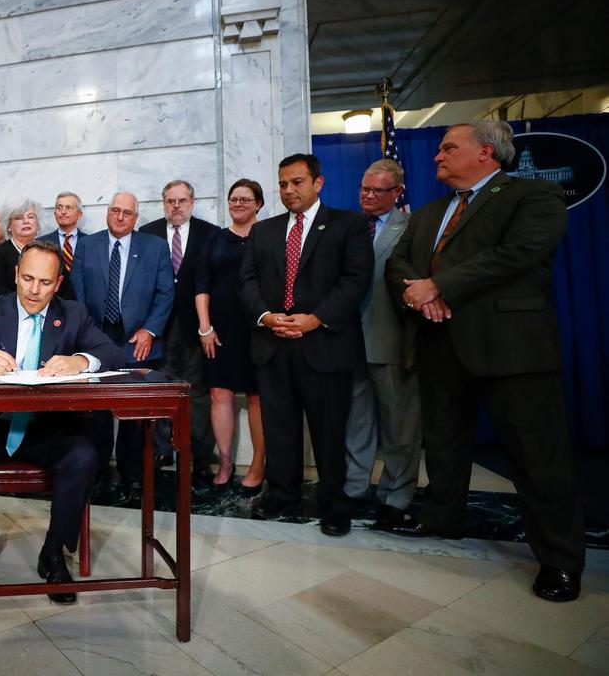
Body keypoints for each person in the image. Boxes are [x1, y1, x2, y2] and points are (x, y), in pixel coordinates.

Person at [385, 120, 585, 602]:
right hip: (439, 345)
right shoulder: (430, 211)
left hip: (511, 348)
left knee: (538, 458)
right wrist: (420, 295)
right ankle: (441, 519)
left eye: (448, 147)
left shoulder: (531, 198)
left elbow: (519, 253)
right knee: (445, 445)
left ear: (487, 153)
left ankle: (560, 560)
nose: (437, 156)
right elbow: (398, 264)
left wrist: (441, 285)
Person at [0, 240, 125, 602]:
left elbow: (111, 352)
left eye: (45, 282)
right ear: (16, 275)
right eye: (28, 278)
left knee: (83, 458)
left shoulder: (75, 314)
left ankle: (52, 553)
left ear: (58, 284)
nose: (34, 290)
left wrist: (79, 361)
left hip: (48, 429)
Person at [239, 154, 373, 537]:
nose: (288, 190)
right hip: (273, 343)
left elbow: (356, 280)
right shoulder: (263, 231)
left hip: (325, 343)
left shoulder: (348, 225)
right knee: (279, 428)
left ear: (318, 183)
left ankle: (334, 503)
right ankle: (282, 493)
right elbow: (246, 283)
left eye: (297, 182)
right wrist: (266, 317)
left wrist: (316, 318)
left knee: (329, 430)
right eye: (282, 184)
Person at [70, 192, 173, 500]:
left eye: (126, 213)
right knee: (97, 412)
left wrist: (150, 330)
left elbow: (165, 293)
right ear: (107, 213)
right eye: (114, 210)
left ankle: (133, 475)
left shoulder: (154, 247)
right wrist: (85, 333)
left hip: (137, 340)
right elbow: (77, 290)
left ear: (135, 218)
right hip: (97, 338)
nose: (119, 217)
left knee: (135, 413)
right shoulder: (87, 245)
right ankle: (97, 472)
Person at [344, 160, 421, 529]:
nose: (369, 196)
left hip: (390, 338)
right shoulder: (347, 226)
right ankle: (354, 486)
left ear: (396, 193)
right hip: (347, 339)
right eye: (364, 189)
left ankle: (396, 494)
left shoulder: (411, 227)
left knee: (399, 424)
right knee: (356, 420)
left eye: (378, 191)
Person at [139, 180, 219, 487]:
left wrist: (208, 325)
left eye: (182, 200)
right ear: (163, 203)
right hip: (157, 328)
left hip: (195, 328)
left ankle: (200, 457)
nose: (176, 206)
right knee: (158, 391)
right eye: (170, 201)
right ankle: (160, 453)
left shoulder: (210, 234)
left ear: (192, 202)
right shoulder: (147, 233)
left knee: (196, 393)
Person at [194, 179, 266, 494]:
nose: (238, 204)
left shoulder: (268, 236)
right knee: (219, 394)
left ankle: (258, 464)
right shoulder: (214, 239)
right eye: (233, 199)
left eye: (245, 200)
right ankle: (224, 462)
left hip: (258, 329)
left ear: (259, 204)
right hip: (218, 330)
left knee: (256, 397)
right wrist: (205, 327)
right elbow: (201, 285)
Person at [0, 199, 75, 300]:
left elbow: (67, 292)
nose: (26, 221)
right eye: (19, 218)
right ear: (9, 225)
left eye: (31, 217)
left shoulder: (51, 251)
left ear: (37, 223)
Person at [38, 191, 85, 273]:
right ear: (54, 214)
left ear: (79, 214)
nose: (63, 212)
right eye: (59, 208)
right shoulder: (41, 243)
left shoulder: (90, 242)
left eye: (68, 208)